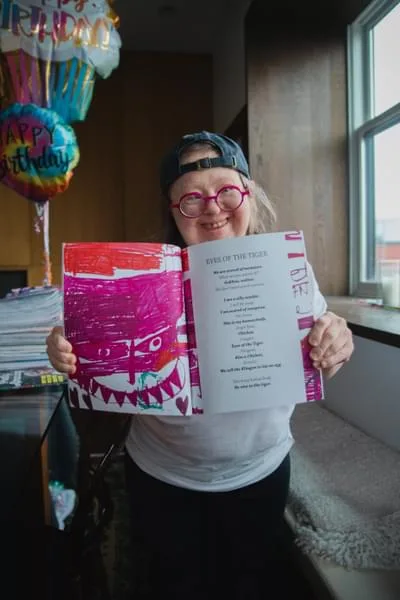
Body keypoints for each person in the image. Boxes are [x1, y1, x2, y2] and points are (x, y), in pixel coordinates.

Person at [46, 131, 354, 599]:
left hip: (260, 470)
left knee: (248, 582)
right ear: (174, 212)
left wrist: (336, 342)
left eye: (226, 190)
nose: (211, 207)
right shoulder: (143, 277)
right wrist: (63, 348)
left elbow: (319, 361)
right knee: (173, 584)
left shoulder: (289, 270)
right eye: (191, 198)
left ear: (248, 195)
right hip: (162, 475)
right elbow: (78, 342)